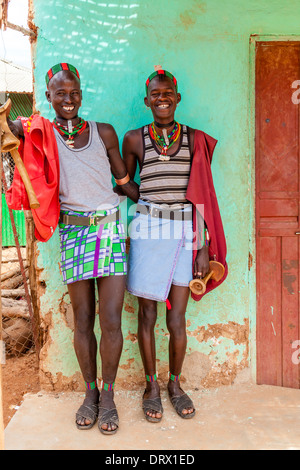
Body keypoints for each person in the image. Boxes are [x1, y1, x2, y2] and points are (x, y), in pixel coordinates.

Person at [7, 63, 139, 435]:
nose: (68, 99)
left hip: (110, 231)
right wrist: (10, 127)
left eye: (74, 92)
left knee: (111, 321)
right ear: (48, 96)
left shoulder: (104, 132)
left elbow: (122, 179)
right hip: (74, 234)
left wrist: (142, 196)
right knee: (83, 321)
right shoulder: (42, 133)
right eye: (60, 94)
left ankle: (109, 396)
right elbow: (13, 131)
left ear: (82, 93)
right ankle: (90, 393)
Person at [122, 68, 227, 422]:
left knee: (177, 317)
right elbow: (128, 185)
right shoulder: (134, 139)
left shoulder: (195, 138)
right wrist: (151, 206)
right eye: (155, 94)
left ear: (177, 98)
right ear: (147, 100)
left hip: (186, 233)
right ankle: (151, 385)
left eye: (168, 93)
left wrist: (202, 246)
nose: (162, 99)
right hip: (149, 230)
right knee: (148, 315)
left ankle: (175, 385)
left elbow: (201, 196)